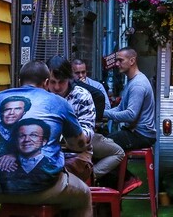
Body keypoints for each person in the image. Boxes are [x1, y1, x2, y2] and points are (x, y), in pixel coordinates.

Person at [0, 60, 92, 217]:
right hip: (44, 188)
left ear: (19, 82)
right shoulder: (58, 102)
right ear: (46, 82)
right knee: (84, 196)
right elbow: (78, 145)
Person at [52, 56, 126, 184]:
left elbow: (87, 133)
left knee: (117, 150)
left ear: (69, 78)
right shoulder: (43, 94)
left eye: (61, 82)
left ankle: (92, 178)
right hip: (51, 151)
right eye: (53, 82)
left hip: (77, 149)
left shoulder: (84, 94)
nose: (57, 87)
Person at [104, 48, 157, 151]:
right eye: (116, 60)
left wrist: (105, 114)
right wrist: (102, 112)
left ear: (132, 61)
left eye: (120, 60)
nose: (117, 64)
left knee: (101, 146)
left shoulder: (138, 84)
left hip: (142, 135)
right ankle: (120, 168)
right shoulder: (132, 81)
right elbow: (120, 108)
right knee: (103, 141)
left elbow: (131, 115)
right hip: (135, 132)